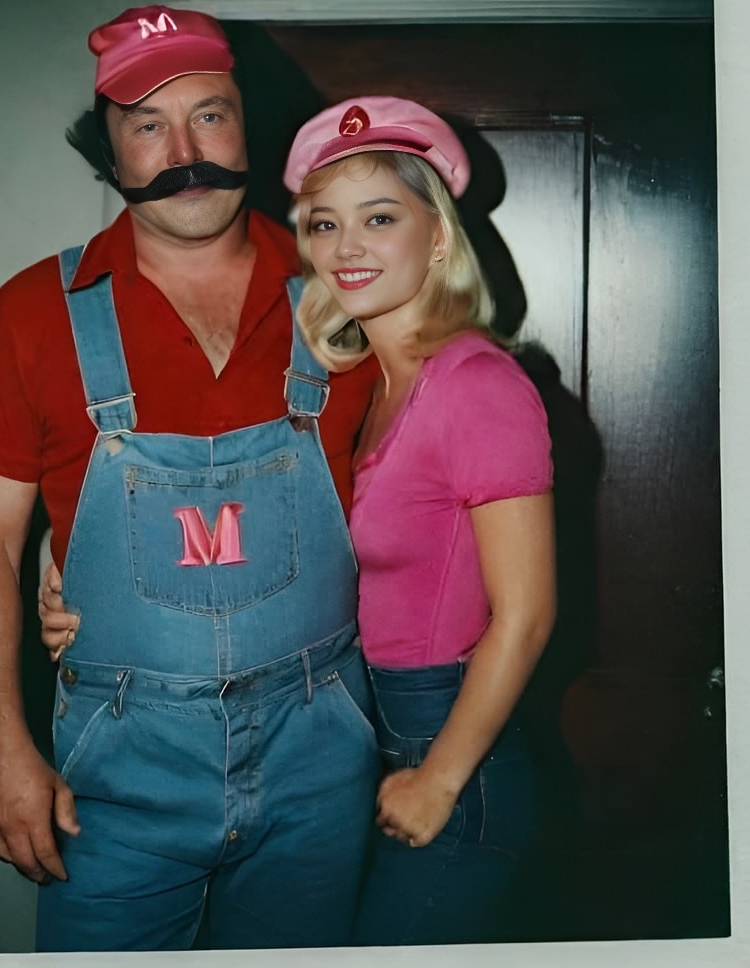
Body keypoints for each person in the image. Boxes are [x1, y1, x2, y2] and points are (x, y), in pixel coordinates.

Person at [0, 5, 381, 953]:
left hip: (321, 759)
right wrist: (0, 743)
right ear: (108, 152)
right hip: (118, 770)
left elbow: (444, 484)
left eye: (210, 115)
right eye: (147, 124)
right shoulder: (32, 313)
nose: (184, 151)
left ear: (248, 124)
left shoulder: (350, 292)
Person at [287, 95, 556, 945]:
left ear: (437, 235)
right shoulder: (365, 386)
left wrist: (438, 779)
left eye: (378, 217)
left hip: (451, 752)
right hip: (371, 733)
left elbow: (527, 614)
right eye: (323, 225)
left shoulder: (478, 383)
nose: (347, 248)